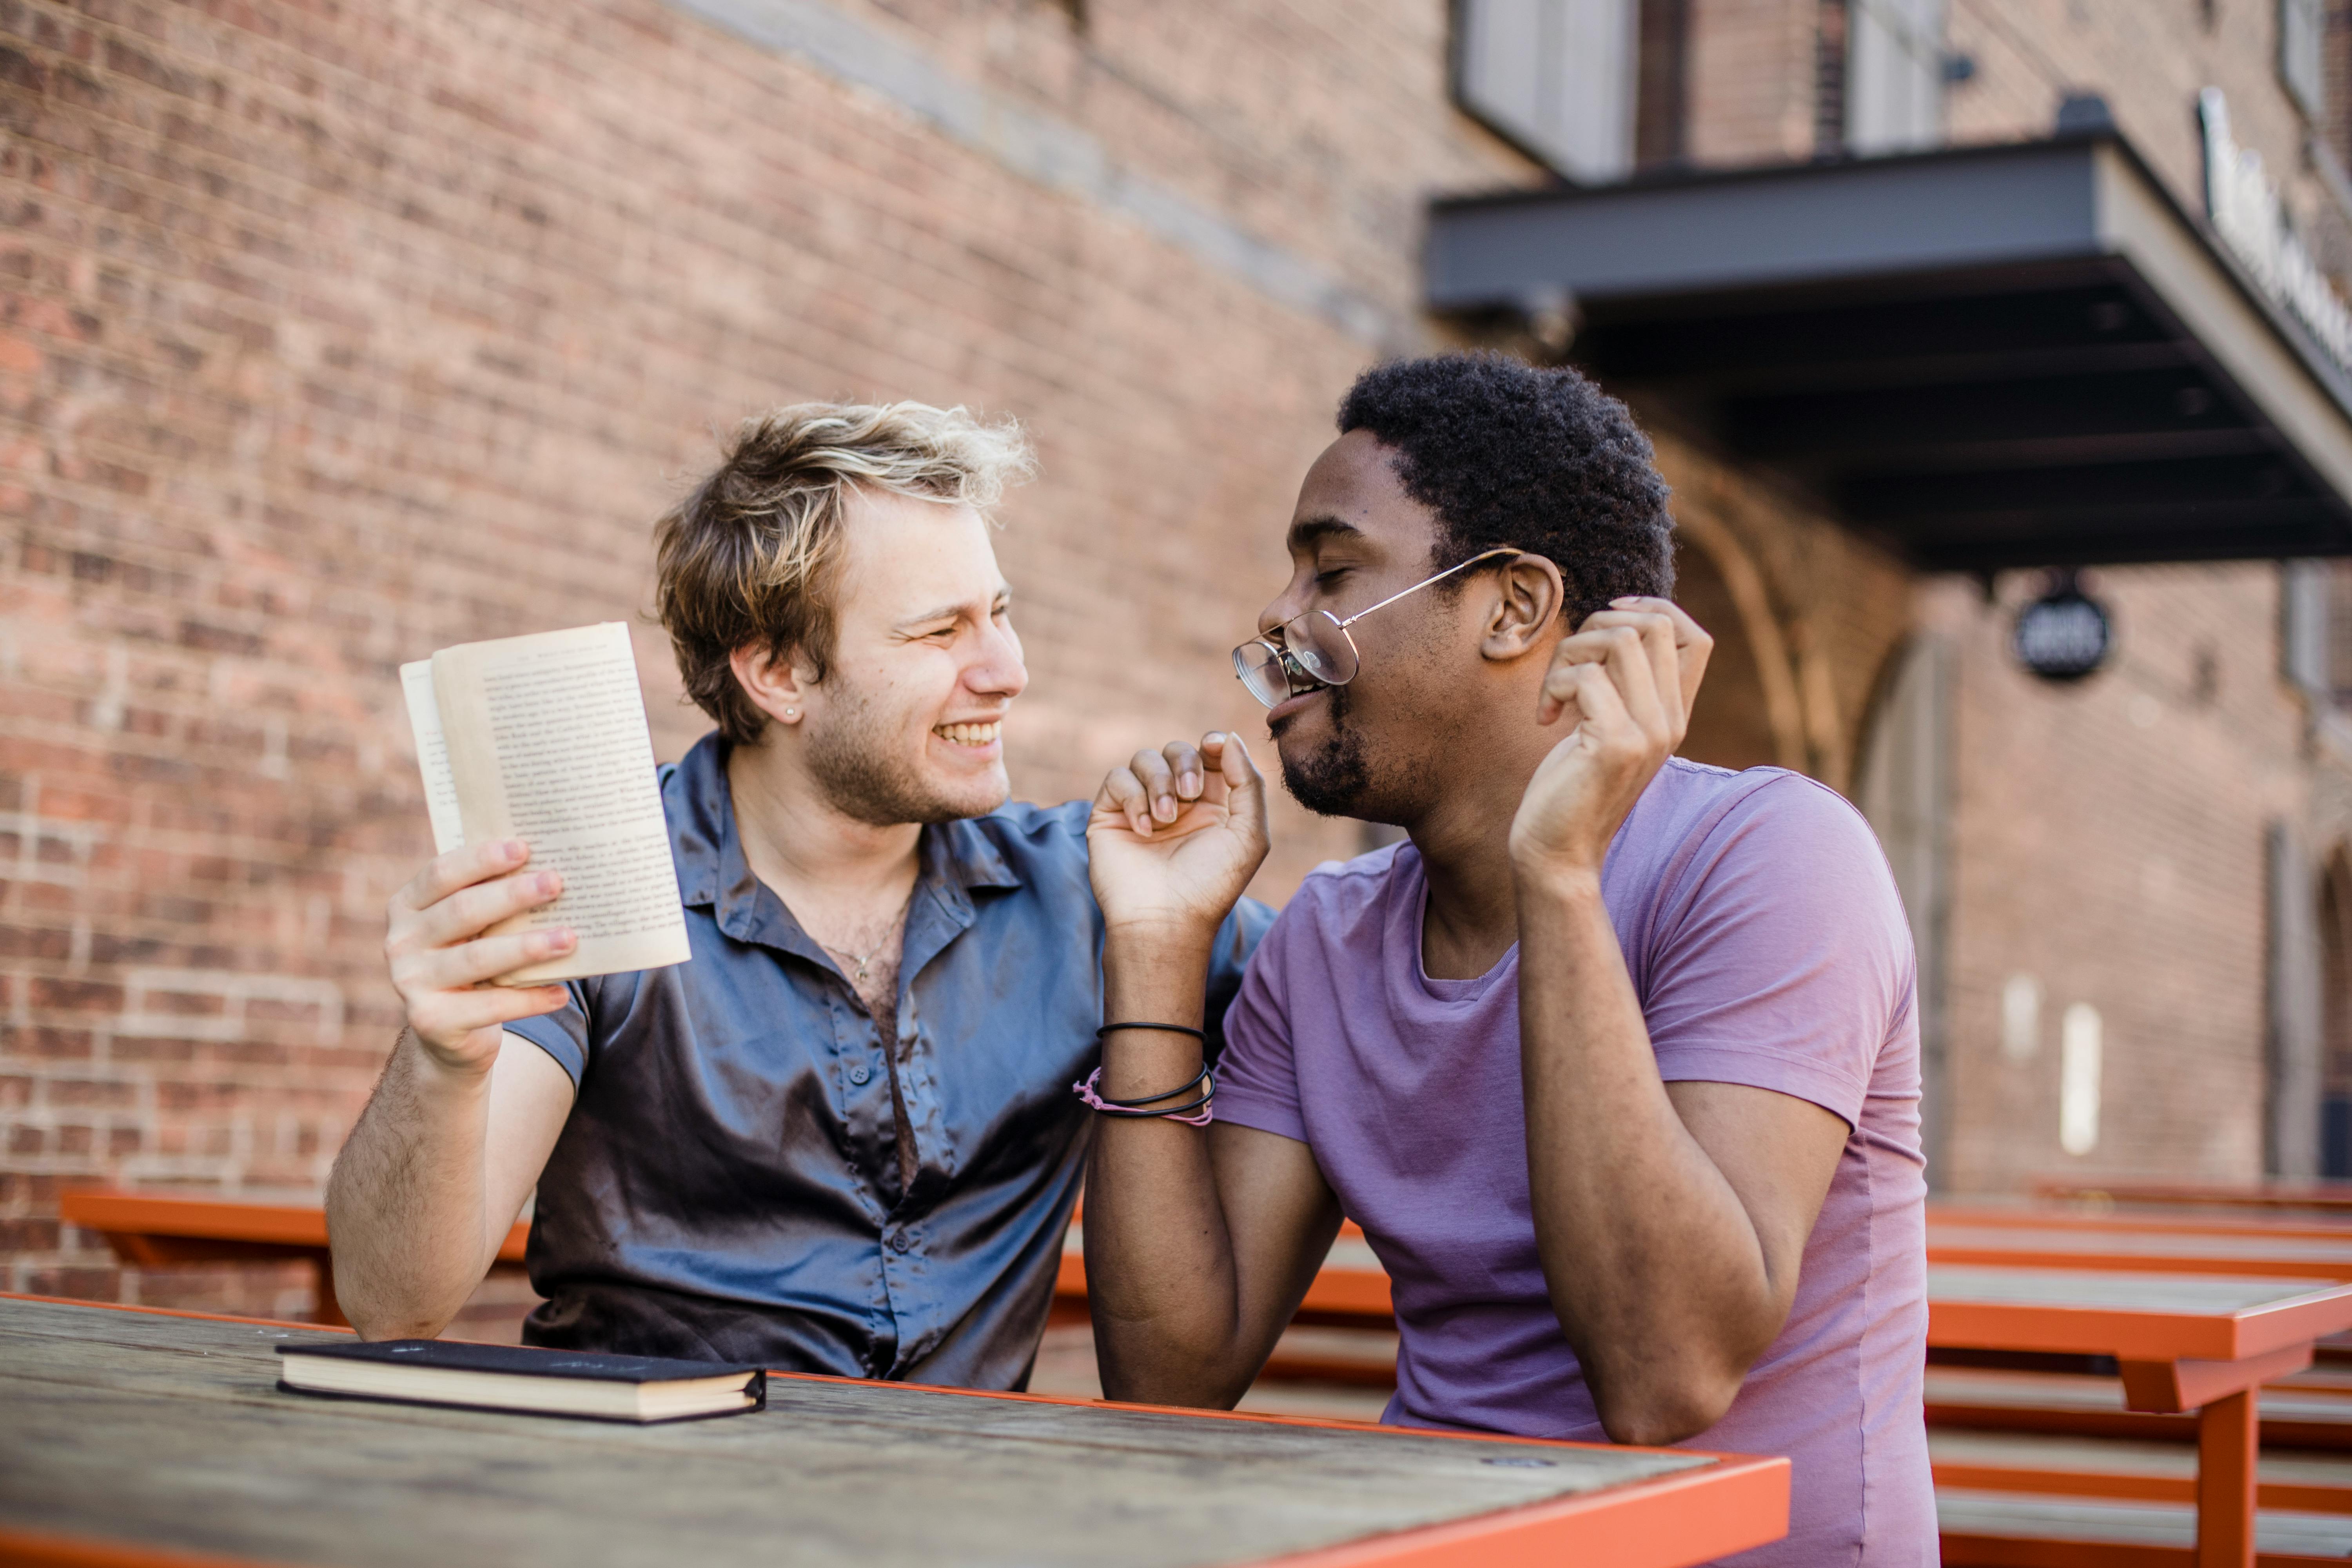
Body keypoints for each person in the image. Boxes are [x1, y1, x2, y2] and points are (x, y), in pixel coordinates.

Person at [1079, 353, 1932, 1565]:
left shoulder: (1779, 858)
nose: (1275, 615)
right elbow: (1169, 1379)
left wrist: (1561, 871)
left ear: (1515, 609)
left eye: (1331, 569)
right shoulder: (1326, 937)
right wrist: (1157, 949)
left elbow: (1664, 1377)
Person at [327, 400, 1269, 1387]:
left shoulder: (1100, 886)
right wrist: (443, 1058)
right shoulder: (591, 873)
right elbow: (394, 1301)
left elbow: (1364, 974)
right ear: (778, 672)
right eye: (940, 630)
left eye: (999, 612)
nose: (1007, 669)